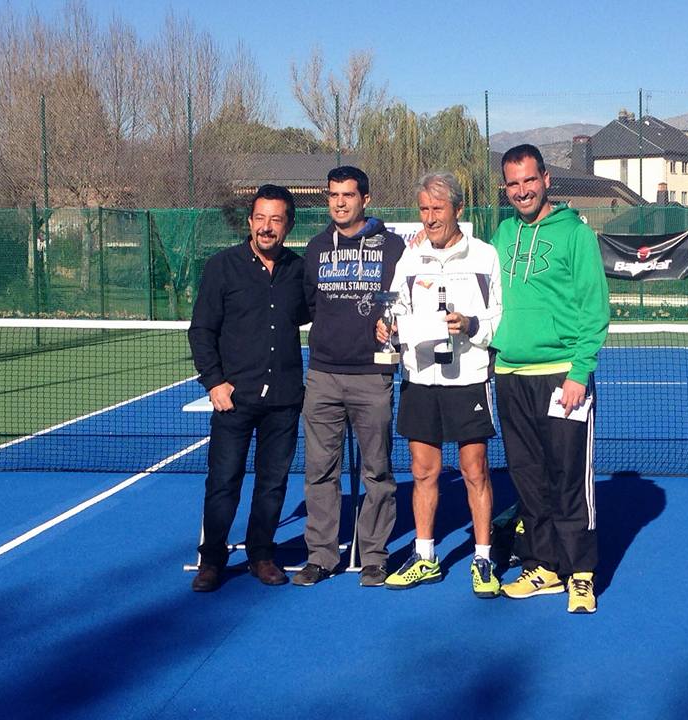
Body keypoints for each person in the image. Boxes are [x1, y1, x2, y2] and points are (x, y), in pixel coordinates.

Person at [492, 144, 610, 614]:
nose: (522, 191)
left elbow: (594, 309)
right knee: (528, 479)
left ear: (546, 180)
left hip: (562, 377)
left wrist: (579, 372)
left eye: (529, 180)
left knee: (569, 478)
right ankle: (543, 566)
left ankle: (580, 573)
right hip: (509, 375)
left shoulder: (576, 234)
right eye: (513, 183)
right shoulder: (502, 233)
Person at [375, 171, 503, 598]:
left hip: (468, 377)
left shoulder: (485, 256)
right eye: (424, 209)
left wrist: (471, 325)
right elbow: (396, 308)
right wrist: (387, 328)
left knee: (474, 470)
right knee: (423, 470)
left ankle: (483, 558)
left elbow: (499, 315)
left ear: (458, 210)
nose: (429, 218)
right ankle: (425, 556)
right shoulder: (410, 258)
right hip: (420, 377)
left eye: (438, 209)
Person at [187, 184, 309, 592]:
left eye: (276, 219)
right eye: (260, 218)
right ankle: (212, 560)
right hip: (233, 399)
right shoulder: (222, 267)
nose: (266, 227)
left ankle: (261, 555)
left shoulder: (299, 270)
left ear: (288, 225)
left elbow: (324, 314)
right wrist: (214, 382)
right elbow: (201, 330)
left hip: (284, 400)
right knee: (223, 483)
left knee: (272, 485)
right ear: (250, 222)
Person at [295, 166, 406, 588]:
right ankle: (321, 556)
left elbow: (406, 300)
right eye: (333, 195)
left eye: (348, 195)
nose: (340, 202)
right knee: (320, 471)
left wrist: (393, 327)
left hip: (372, 376)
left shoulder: (392, 247)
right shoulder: (316, 247)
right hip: (322, 374)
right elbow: (311, 302)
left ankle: (374, 556)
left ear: (365, 199)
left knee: (377, 472)